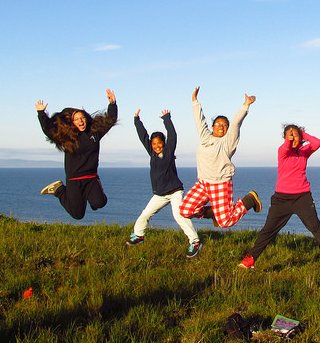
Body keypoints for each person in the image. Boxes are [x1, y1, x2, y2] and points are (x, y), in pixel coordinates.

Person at [239, 125, 320, 279]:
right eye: (289, 135)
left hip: (302, 197)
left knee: (315, 227)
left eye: (295, 135)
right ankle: (251, 258)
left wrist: (302, 134)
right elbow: (287, 146)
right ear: (285, 137)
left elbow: (317, 143)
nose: (293, 137)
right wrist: (291, 137)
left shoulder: (304, 152)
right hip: (281, 199)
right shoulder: (282, 152)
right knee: (268, 230)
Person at [179, 86, 262, 228]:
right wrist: (195, 101)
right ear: (212, 126)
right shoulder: (205, 137)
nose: (221, 126)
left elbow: (236, 124)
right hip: (203, 183)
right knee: (185, 210)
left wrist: (245, 106)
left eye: (225, 125)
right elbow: (200, 121)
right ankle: (213, 213)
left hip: (220, 183)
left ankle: (249, 200)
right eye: (218, 123)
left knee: (225, 222)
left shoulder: (228, 142)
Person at [126, 108, 202, 258]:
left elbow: (173, 135)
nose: (156, 146)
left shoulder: (168, 152)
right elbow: (143, 136)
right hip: (160, 194)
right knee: (145, 215)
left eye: (159, 143)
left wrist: (167, 119)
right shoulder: (152, 153)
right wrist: (137, 120)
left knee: (179, 216)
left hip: (174, 192)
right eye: (154, 144)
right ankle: (139, 236)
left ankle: (195, 241)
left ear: (164, 143)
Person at [36, 89, 118, 220]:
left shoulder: (94, 133)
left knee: (100, 203)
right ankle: (58, 189)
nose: (81, 121)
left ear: (86, 118)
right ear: (72, 122)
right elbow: (49, 130)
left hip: (91, 177)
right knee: (77, 215)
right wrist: (41, 113)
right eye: (77, 119)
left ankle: (91, 196)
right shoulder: (68, 137)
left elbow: (110, 120)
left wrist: (112, 103)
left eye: (83, 118)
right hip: (74, 180)